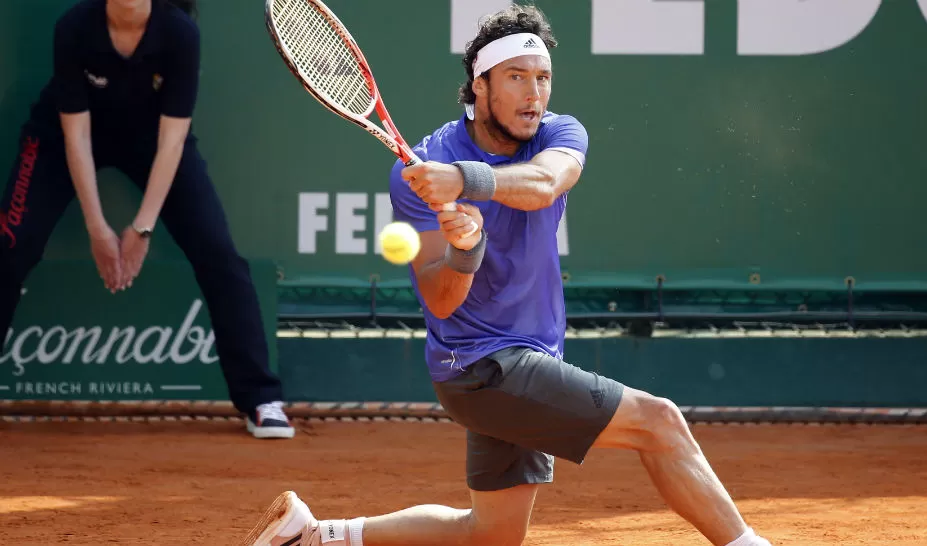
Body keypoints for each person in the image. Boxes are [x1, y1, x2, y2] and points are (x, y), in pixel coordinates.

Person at [239, 4, 773, 545]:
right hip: (478, 368)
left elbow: (544, 184)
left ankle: (314, 536)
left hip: (530, 358)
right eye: (516, 77)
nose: (533, 93)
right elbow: (441, 300)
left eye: (542, 78)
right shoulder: (419, 169)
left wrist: (464, 182)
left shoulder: (557, 135)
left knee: (490, 534)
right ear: (480, 85)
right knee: (659, 422)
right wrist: (464, 250)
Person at [0, 0, 295, 440]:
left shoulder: (179, 33)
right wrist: (97, 226)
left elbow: (172, 141)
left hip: (154, 144)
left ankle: (260, 397)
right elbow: (75, 136)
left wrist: (142, 227)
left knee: (218, 253)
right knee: (12, 245)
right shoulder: (75, 26)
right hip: (62, 137)